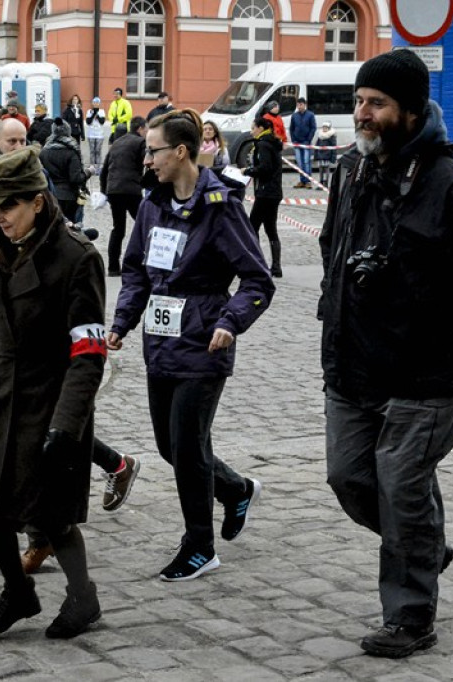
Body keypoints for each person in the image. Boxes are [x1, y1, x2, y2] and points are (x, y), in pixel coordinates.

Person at [318, 49, 453, 659]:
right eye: (359, 101)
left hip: (426, 373)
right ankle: (424, 546)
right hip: (354, 365)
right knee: (349, 477)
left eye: (376, 104)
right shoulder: (351, 172)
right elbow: (334, 252)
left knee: (402, 487)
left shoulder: (450, 186)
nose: (363, 113)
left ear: (410, 111)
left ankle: (409, 616)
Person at [107, 109, 274, 581]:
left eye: (153, 151)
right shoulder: (152, 205)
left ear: (181, 152)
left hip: (204, 345)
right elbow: (137, 268)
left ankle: (200, 545)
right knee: (171, 446)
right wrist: (123, 321)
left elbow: (257, 281)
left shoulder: (221, 207)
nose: (146, 160)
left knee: (187, 445)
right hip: (160, 342)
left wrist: (231, 321)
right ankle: (236, 489)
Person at [0, 147, 107, 639]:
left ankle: (83, 598)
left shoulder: (77, 258)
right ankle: (18, 591)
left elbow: (88, 353)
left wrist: (67, 424)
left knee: (51, 513)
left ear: (38, 201)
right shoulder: (3, 244)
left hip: (48, 396)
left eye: (9, 207)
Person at [99, 116, 147, 276]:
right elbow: (147, 164)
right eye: (145, 129)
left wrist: (104, 191)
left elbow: (104, 170)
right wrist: (145, 183)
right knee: (145, 224)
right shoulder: (140, 142)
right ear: (140, 128)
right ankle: (146, 263)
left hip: (114, 190)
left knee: (118, 228)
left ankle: (113, 268)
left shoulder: (116, 143)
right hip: (131, 189)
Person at [243, 117, 284, 277]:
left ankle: (257, 264)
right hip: (274, 192)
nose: (252, 131)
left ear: (260, 128)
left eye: (253, 128)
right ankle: (276, 267)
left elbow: (265, 168)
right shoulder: (272, 142)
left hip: (265, 192)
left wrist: (247, 171)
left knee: (252, 226)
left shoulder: (262, 145)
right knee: (270, 228)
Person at [40, 118, 91, 223]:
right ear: (68, 132)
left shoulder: (44, 151)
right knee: (70, 228)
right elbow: (76, 178)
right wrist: (89, 172)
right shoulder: (71, 151)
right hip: (68, 196)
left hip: (49, 195)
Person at [291, 98, 317, 188]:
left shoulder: (310, 115)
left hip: (306, 142)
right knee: (299, 162)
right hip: (297, 142)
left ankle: (308, 181)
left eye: (301, 104)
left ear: (305, 105)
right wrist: (293, 139)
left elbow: (313, 128)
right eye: (298, 105)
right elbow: (292, 128)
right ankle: (302, 180)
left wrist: (308, 139)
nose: (299, 106)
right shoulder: (294, 116)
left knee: (306, 161)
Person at [85, 97, 106, 171]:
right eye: (94, 102)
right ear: (92, 103)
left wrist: (98, 115)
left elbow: (102, 122)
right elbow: (88, 122)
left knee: (98, 151)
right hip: (91, 134)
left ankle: (98, 167)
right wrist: (93, 114)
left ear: (99, 103)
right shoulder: (89, 111)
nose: (96, 104)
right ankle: (92, 167)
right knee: (92, 151)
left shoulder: (102, 111)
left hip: (99, 135)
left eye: (97, 102)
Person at [315, 120, 338, 186]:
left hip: (327, 156)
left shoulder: (331, 137)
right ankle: (321, 181)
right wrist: (316, 156)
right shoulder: (320, 136)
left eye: (326, 127)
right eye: (323, 127)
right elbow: (317, 146)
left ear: (329, 128)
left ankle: (326, 182)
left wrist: (333, 158)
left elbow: (333, 147)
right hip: (320, 156)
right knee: (320, 170)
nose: (324, 129)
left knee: (327, 169)